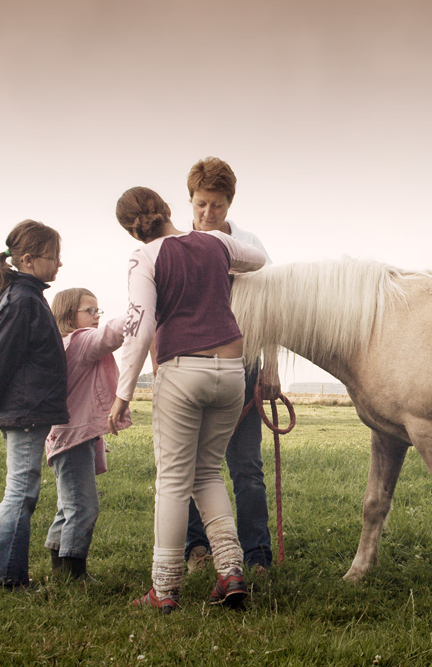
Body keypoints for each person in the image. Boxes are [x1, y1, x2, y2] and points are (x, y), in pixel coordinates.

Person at [108, 186, 266, 614]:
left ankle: (164, 588)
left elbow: (139, 329)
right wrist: (224, 248)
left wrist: (123, 393)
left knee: (173, 481)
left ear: (131, 230)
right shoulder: (215, 242)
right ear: (168, 209)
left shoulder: (145, 257)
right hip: (232, 371)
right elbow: (258, 259)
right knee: (208, 474)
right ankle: (232, 572)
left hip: (183, 370)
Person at [183, 156, 280, 573]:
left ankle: (256, 553)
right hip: (192, 365)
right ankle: (197, 548)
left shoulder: (251, 246)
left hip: (244, 365)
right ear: (190, 200)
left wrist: (270, 367)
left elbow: (273, 308)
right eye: (201, 204)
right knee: (190, 462)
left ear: (230, 203)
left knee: (247, 466)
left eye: (217, 205)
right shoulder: (177, 247)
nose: (208, 214)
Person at [0, 220, 69, 589]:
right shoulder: (24, 299)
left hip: (25, 405)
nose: (58, 264)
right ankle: (4, 577)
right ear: (27, 259)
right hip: (26, 407)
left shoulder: (19, 294)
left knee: (16, 490)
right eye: (53, 257)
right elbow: (0, 356)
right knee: (21, 492)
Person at [43, 288, 131, 581]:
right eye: (90, 311)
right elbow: (110, 335)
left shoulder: (62, 344)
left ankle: (61, 567)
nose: (96, 317)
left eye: (98, 311)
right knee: (83, 507)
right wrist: (140, 311)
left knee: (67, 506)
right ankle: (73, 572)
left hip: (66, 436)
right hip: (73, 438)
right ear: (70, 315)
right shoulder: (79, 341)